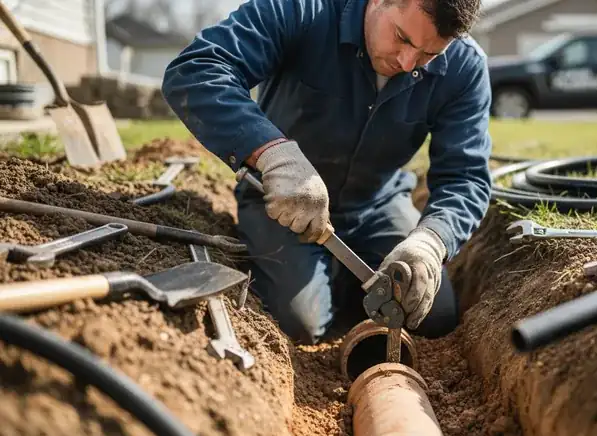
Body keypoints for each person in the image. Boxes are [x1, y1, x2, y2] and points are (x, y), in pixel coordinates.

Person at [161, 0, 492, 345]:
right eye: (402, 38)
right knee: (300, 326)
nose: (408, 63)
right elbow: (197, 69)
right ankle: (326, 284)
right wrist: (272, 153)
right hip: (283, 205)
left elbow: (465, 176)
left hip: (377, 205)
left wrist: (431, 240)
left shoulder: (465, 68)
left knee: (431, 314)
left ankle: (346, 287)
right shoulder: (301, 10)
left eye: (428, 55)